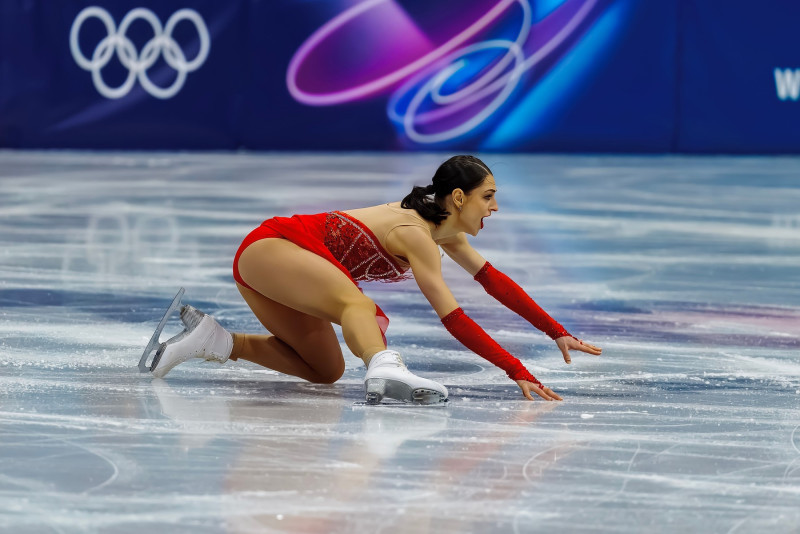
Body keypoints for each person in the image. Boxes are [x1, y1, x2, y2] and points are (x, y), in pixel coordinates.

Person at [149, 155, 602, 403]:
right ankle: (383, 365)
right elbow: (454, 317)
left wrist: (555, 332)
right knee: (359, 308)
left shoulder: (445, 233)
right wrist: (517, 371)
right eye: (489, 197)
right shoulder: (416, 234)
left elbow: (495, 283)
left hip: (278, 267)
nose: (495, 208)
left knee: (324, 370)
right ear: (459, 197)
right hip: (273, 249)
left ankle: (214, 342)